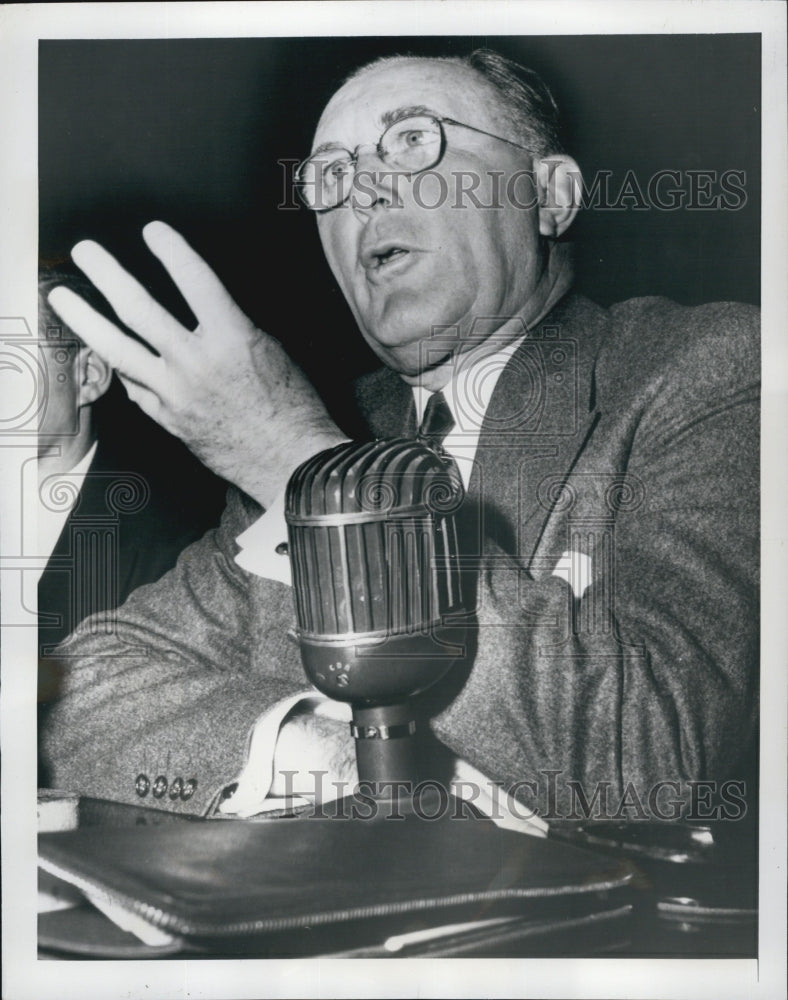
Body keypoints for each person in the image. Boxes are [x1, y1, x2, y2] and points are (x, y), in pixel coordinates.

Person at [40, 50, 758, 821]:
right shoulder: (350, 423)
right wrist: (332, 754)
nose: (364, 190)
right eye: (330, 176)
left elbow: (655, 753)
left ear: (550, 196)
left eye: (413, 141)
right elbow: (79, 689)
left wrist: (303, 466)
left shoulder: (705, 369)